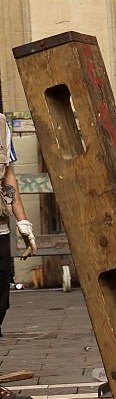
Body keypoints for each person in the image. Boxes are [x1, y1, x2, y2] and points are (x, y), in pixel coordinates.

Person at [0, 113, 38, 338]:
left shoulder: (0, 124)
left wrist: (23, 222)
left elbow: (8, 176)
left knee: (1, 292)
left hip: (0, 227)